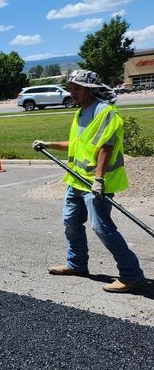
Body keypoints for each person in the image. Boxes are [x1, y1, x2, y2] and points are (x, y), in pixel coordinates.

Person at [33, 69, 146, 293]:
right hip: (77, 180)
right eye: (70, 88)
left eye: (76, 88)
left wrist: (99, 180)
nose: (71, 92)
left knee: (101, 227)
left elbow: (106, 147)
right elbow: (77, 144)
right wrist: (48, 144)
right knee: (71, 223)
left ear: (89, 89)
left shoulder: (105, 112)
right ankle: (77, 264)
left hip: (96, 183)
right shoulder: (80, 112)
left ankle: (131, 275)